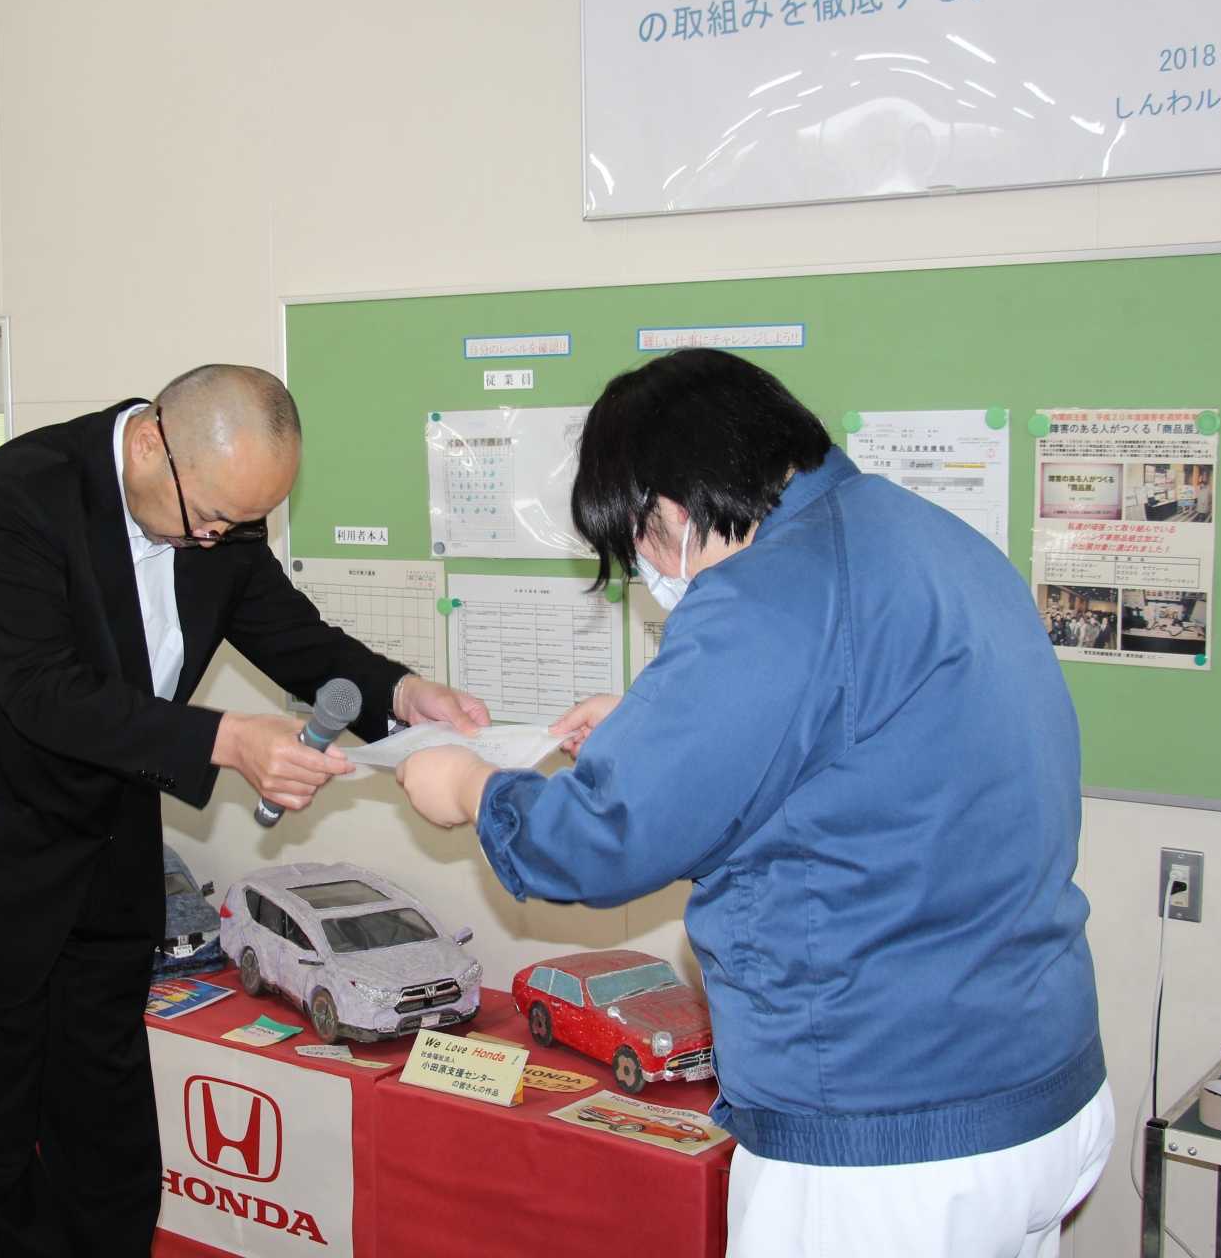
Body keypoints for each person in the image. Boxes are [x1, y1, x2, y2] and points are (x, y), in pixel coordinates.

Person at [395, 349, 1111, 1258]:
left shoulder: (768, 593)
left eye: (639, 544)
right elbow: (867, 749)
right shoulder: (924, 536)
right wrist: (650, 725)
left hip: (885, 1134)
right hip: (1038, 1088)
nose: (652, 571)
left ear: (669, 507)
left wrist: (471, 788)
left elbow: (604, 839)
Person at [0, 364, 488, 1257]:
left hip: (103, 863)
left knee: (111, 1147)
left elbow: (293, 635)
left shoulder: (215, 513)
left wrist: (402, 693)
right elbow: (43, 693)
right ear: (153, 441)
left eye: (241, 525)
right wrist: (229, 739)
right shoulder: (24, 493)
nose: (219, 539)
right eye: (213, 518)